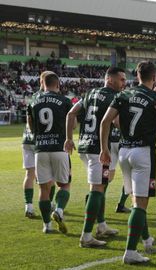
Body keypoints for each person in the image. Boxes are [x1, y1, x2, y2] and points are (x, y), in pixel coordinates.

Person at [99, 61, 156, 264]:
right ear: (155, 77)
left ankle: (147, 238)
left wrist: (104, 149)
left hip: (123, 151)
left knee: (135, 200)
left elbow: (106, 121)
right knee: (141, 204)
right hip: (144, 152)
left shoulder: (123, 95)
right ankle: (131, 251)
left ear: (137, 76)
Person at [65, 67, 126, 247]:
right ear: (110, 80)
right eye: (121, 79)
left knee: (102, 185)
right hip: (98, 149)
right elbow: (116, 121)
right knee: (97, 189)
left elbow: (71, 113)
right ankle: (86, 236)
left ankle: (101, 225)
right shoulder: (114, 97)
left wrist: (69, 139)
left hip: (85, 145)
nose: (124, 83)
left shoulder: (90, 93)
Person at [27, 72, 72, 234]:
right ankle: (59, 211)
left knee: (43, 190)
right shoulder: (65, 101)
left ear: (43, 83)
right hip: (59, 148)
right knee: (64, 184)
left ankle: (47, 226)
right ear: (58, 84)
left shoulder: (33, 101)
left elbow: (30, 125)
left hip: (41, 149)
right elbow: (72, 125)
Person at [22, 71, 56, 218]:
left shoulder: (33, 98)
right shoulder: (50, 98)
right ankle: (50, 202)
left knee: (29, 174)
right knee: (51, 175)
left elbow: (28, 118)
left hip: (27, 138)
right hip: (42, 141)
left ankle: (28, 206)